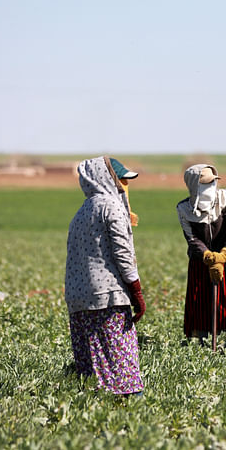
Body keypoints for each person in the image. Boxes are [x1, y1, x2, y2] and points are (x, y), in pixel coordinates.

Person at [65, 156, 146, 395]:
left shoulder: (81, 211)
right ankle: (134, 421)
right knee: (124, 374)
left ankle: (95, 423)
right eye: (121, 180)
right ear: (107, 178)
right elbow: (123, 255)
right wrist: (137, 292)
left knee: (92, 375)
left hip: (79, 300)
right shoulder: (110, 206)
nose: (123, 186)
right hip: (108, 299)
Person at [176, 164, 226, 343]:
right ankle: (202, 341)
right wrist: (208, 256)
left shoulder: (225, 198)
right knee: (200, 302)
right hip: (201, 261)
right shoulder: (184, 209)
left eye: (212, 183)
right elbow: (192, 239)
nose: (211, 187)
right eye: (205, 184)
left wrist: (223, 255)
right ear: (194, 186)